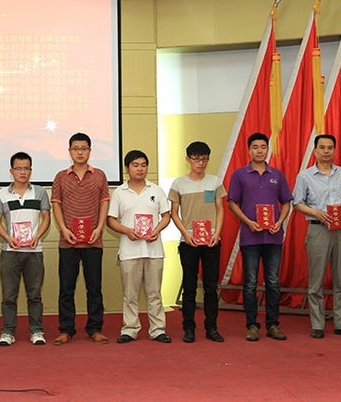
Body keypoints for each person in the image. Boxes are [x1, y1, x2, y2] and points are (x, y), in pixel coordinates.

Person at [227, 132, 293, 342]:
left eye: (263, 147)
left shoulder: (277, 175)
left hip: (273, 237)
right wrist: (248, 222)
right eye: (255, 147)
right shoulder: (239, 175)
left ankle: (273, 324)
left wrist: (280, 221)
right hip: (250, 236)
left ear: (267, 149)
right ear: (249, 150)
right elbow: (232, 203)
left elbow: (286, 202)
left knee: (273, 281)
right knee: (250, 282)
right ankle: (252, 325)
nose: (259, 150)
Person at [293, 134, 341, 339]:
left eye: (330, 147)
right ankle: (317, 324)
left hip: (340, 230)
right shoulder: (305, 176)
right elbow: (297, 203)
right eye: (322, 147)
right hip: (318, 229)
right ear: (315, 151)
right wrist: (316, 212)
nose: (326, 151)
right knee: (316, 280)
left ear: (334, 150)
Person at [51, 133, 110, 345]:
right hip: (68, 242)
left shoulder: (99, 175)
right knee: (66, 289)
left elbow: (104, 202)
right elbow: (56, 203)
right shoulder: (61, 176)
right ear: (69, 151)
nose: (80, 152)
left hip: (93, 241)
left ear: (90, 151)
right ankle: (66, 329)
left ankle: (95, 329)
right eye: (75, 148)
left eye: (84, 148)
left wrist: (99, 228)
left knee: (94, 288)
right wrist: (63, 229)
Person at [108, 150, 172, 344]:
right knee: (130, 294)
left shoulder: (156, 190)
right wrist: (127, 230)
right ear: (127, 168)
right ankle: (130, 329)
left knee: (155, 294)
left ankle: (158, 330)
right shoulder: (119, 192)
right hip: (129, 251)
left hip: (154, 251)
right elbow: (111, 220)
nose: (140, 169)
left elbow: (166, 216)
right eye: (135, 165)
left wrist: (157, 230)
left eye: (143, 165)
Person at [169, 141, 226, 343]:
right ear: (188, 159)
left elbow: (220, 209)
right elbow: (174, 213)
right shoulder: (179, 184)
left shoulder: (215, 182)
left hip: (211, 241)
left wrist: (217, 233)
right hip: (189, 241)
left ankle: (212, 327)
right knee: (189, 285)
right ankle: (189, 328)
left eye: (204, 159)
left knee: (211, 286)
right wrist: (186, 234)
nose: (200, 163)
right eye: (196, 159)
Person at [0, 152, 51, 346]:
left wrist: (37, 236)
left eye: (26, 168)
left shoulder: (40, 192)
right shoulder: (1, 194)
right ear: (11, 171)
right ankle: (7, 332)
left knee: (35, 295)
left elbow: (46, 218)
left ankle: (37, 331)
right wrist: (7, 238)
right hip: (10, 252)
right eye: (18, 168)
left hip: (34, 251)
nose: (22, 172)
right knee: (9, 296)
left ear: (31, 170)